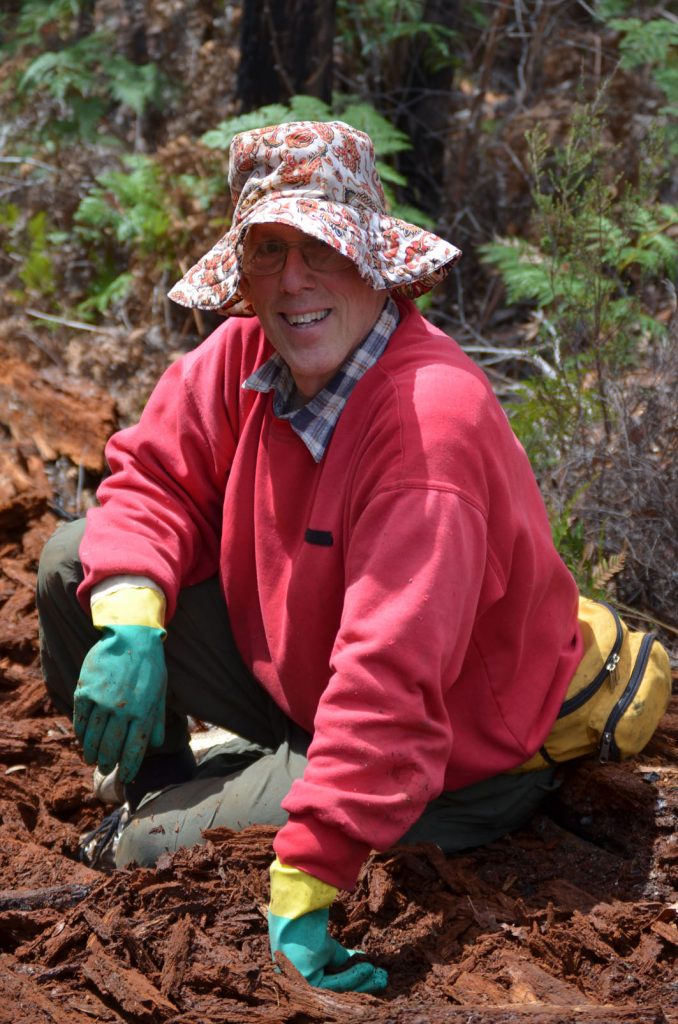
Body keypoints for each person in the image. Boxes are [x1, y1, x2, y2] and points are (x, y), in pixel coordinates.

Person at [37, 120, 583, 994]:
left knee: (146, 855)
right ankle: (172, 782)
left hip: (448, 747)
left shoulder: (425, 428)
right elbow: (152, 480)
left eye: (323, 247)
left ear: (373, 260)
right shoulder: (250, 353)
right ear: (244, 271)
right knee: (80, 569)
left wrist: (304, 885)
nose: (295, 281)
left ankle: (205, 815)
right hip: (303, 674)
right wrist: (134, 624)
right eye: (270, 249)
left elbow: (394, 684)